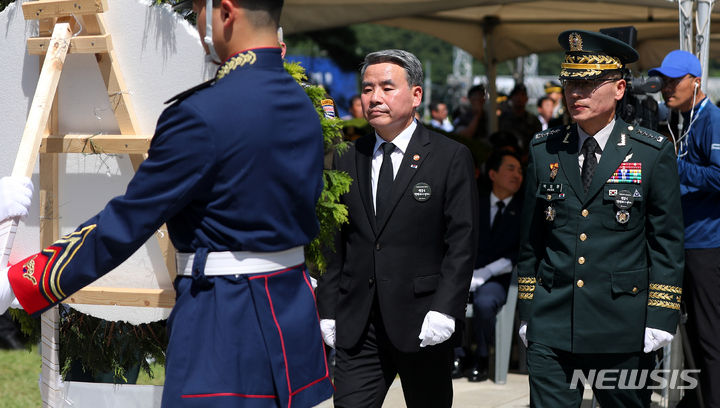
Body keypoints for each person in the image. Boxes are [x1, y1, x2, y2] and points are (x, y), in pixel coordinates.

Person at [0, 1, 334, 407]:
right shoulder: (300, 105)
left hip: (225, 320)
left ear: (225, 13)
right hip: (291, 314)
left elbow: (126, 222)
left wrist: (25, 280)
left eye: (199, 10)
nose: (197, 22)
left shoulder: (203, 114)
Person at [517, 30, 684, 407]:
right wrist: (528, 312)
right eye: (570, 83)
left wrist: (660, 316)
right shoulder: (545, 150)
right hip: (553, 319)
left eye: (589, 83)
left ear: (620, 88)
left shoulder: (651, 152)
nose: (576, 93)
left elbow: (667, 243)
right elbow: (532, 241)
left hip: (621, 322)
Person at [315, 49, 479, 407]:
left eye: (387, 88)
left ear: (416, 95)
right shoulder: (346, 156)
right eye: (368, 88)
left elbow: (462, 242)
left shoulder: (449, 157)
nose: (375, 98)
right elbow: (332, 241)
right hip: (360, 324)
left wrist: (446, 308)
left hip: (423, 321)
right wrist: (327, 308)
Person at [649, 50, 720, 408]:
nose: (666, 88)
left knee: (709, 335)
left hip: (707, 244)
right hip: (688, 241)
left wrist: (675, 168)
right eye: (663, 80)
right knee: (690, 331)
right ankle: (695, 399)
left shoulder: (712, 119)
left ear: (696, 81)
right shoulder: (683, 119)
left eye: (674, 80)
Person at [464, 149, 524, 382]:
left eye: (520, 171)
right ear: (492, 174)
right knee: (448, 296)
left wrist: (487, 272)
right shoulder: (474, 204)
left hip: (501, 276)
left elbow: (520, 251)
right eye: (510, 169)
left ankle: (482, 355)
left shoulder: (522, 209)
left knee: (485, 303)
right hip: (467, 271)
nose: (516, 175)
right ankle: (458, 356)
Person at [499, 83, 542, 151]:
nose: (519, 98)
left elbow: (538, 142)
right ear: (511, 98)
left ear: (526, 99)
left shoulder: (533, 120)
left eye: (522, 95)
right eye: (516, 95)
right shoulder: (502, 119)